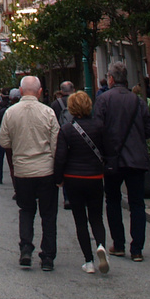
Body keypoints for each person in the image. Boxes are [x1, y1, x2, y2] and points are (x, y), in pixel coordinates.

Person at [0, 76, 60, 271]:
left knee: (26, 210)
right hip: (46, 169)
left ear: (21, 92)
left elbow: (3, 141)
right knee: (48, 214)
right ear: (40, 92)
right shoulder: (48, 112)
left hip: (23, 171)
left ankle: (25, 247)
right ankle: (47, 256)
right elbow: (56, 142)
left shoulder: (10, 113)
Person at [95, 61, 150, 262]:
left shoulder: (104, 100)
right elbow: (149, 131)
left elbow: (98, 129)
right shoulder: (138, 101)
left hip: (113, 160)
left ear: (110, 78)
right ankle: (137, 249)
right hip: (136, 159)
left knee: (113, 201)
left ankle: (119, 244)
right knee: (137, 203)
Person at [53, 89, 110, 275]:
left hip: (73, 178)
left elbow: (60, 157)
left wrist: (58, 178)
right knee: (96, 217)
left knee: (80, 221)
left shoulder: (67, 129)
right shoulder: (100, 126)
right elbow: (108, 150)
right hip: (94, 177)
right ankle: (101, 246)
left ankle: (89, 261)